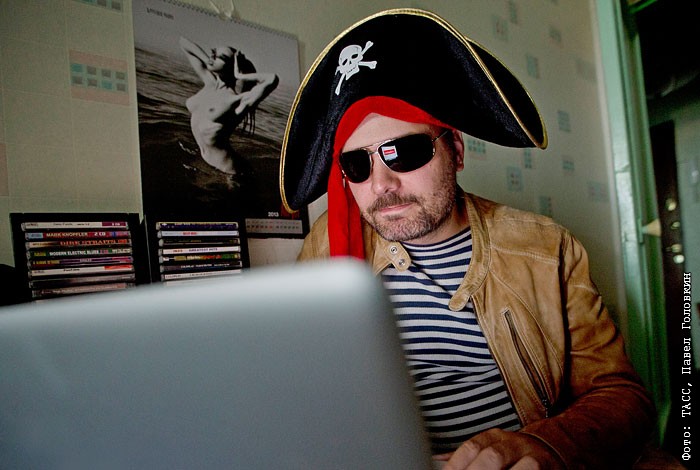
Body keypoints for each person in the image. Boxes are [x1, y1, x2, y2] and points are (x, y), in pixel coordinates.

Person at [279, 8, 657, 470]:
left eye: (404, 152)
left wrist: (546, 445)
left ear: (455, 150)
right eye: (357, 164)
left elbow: (621, 396)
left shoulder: (545, 250)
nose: (381, 185)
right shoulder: (327, 248)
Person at [179, 37, 279, 175]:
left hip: (228, 172)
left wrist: (240, 75)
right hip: (204, 162)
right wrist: (209, 60)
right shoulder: (210, 83)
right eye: (213, 52)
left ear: (232, 67)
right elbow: (184, 43)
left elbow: (272, 79)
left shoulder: (237, 100)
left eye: (221, 57)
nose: (213, 57)